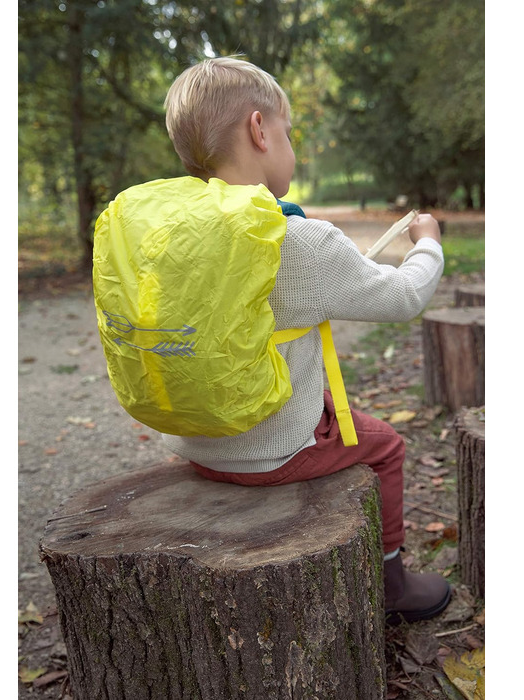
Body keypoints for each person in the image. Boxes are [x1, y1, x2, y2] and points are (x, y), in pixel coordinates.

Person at [160, 56, 450, 623]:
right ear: (259, 129)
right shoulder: (300, 241)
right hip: (271, 450)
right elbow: (403, 298)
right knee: (385, 444)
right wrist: (428, 243)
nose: (289, 145)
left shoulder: (170, 237)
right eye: (287, 132)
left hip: (193, 442)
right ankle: (392, 582)